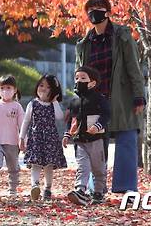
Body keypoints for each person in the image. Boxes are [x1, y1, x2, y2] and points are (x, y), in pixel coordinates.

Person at [75, 0, 145, 194]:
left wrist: (139, 95)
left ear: (107, 12)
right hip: (94, 100)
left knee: (127, 137)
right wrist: (79, 98)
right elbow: (79, 72)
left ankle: (125, 188)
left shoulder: (122, 35)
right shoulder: (84, 43)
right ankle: (95, 188)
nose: (94, 13)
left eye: (98, 8)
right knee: (93, 142)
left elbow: (133, 66)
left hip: (121, 95)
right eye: (90, 9)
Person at [63, 66, 111, 205]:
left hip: (97, 140)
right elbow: (72, 120)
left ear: (93, 83)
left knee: (98, 169)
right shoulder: (75, 101)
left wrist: (98, 126)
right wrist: (67, 135)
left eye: (83, 78)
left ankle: (98, 192)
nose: (79, 81)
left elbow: (106, 114)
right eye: (77, 78)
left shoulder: (100, 99)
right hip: (80, 141)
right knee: (82, 167)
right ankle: (80, 190)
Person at [20, 74, 67, 201]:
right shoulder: (33, 104)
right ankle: (34, 186)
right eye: (41, 85)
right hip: (35, 138)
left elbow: (59, 117)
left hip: (50, 139)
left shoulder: (53, 105)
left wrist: (55, 101)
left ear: (53, 91)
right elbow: (26, 121)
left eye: (48, 87)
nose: (43, 89)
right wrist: (21, 138)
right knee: (35, 163)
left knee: (48, 166)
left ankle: (48, 188)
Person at [0, 75, 24, 197]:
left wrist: (23, 141)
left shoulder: (17, 107)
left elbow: (22, 125)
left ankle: (12, 189)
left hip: (13, 143)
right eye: (2, 88)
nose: (5, 90)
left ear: (15, 90)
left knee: (13, 167)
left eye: (8, 87)